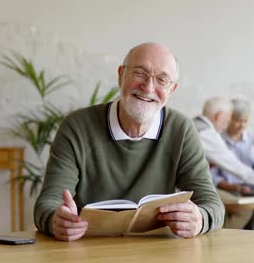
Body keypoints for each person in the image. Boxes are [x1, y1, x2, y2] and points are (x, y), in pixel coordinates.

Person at [34, 42, 224, 241]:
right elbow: (48, 202)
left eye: (162, 79)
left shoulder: (181, 130)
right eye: (140, 73)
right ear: (121, 74)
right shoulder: (77, 127)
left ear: (172, 90)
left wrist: (200, 219)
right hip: (88, 249)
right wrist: (55, 220)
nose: (149, 87)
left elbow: (212, 204)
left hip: (157, 250)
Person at [209, 98, 254, 228]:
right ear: (228, 119)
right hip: (228, 188)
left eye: (245, 121)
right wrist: (236, 188)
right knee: (246, 206)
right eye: (238, 121)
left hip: (250, 187)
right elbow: (212, 175)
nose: (242, 125)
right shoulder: (217, 140)